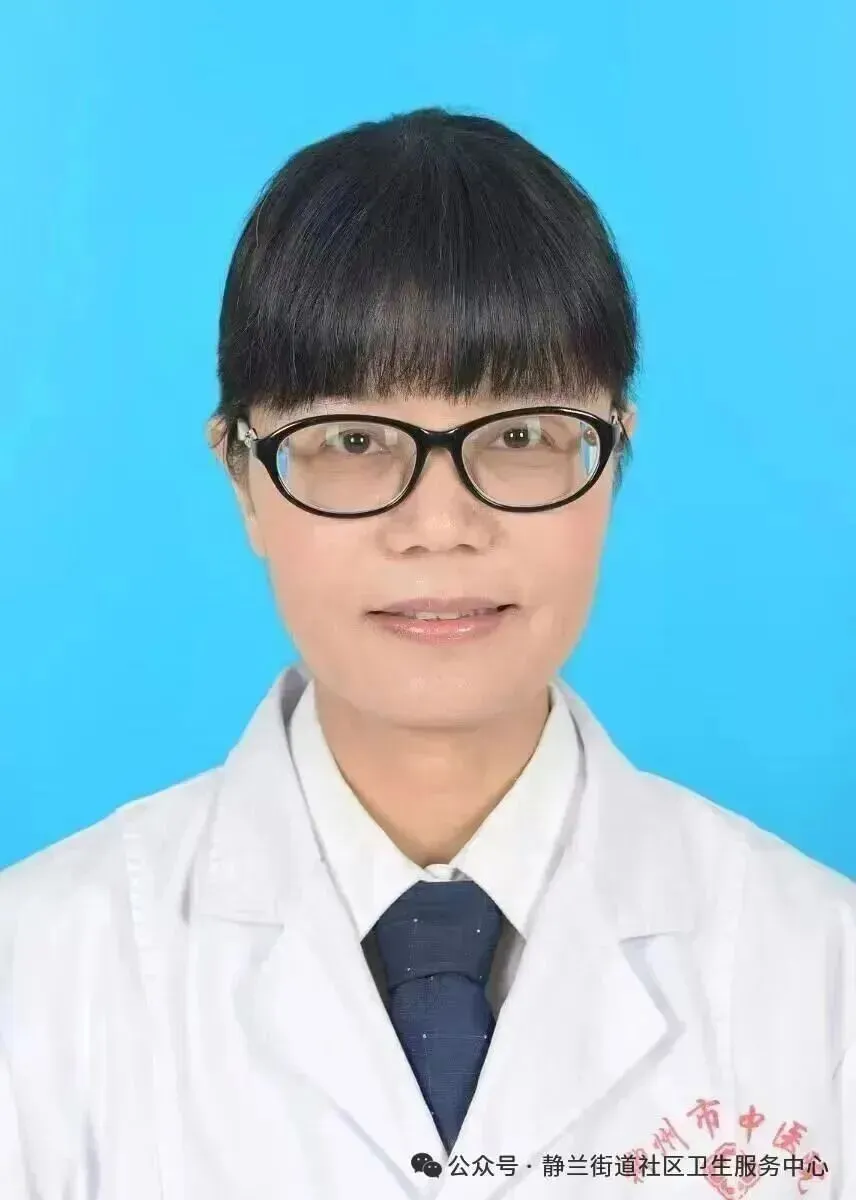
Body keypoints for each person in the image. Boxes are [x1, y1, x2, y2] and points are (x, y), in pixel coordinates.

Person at [0, 108, 853, 1199]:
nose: (440, 526)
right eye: (354, 440)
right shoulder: (38, 978)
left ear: (614, 459)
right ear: (243, 478)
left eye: (519, 435)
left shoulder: (821, 975)